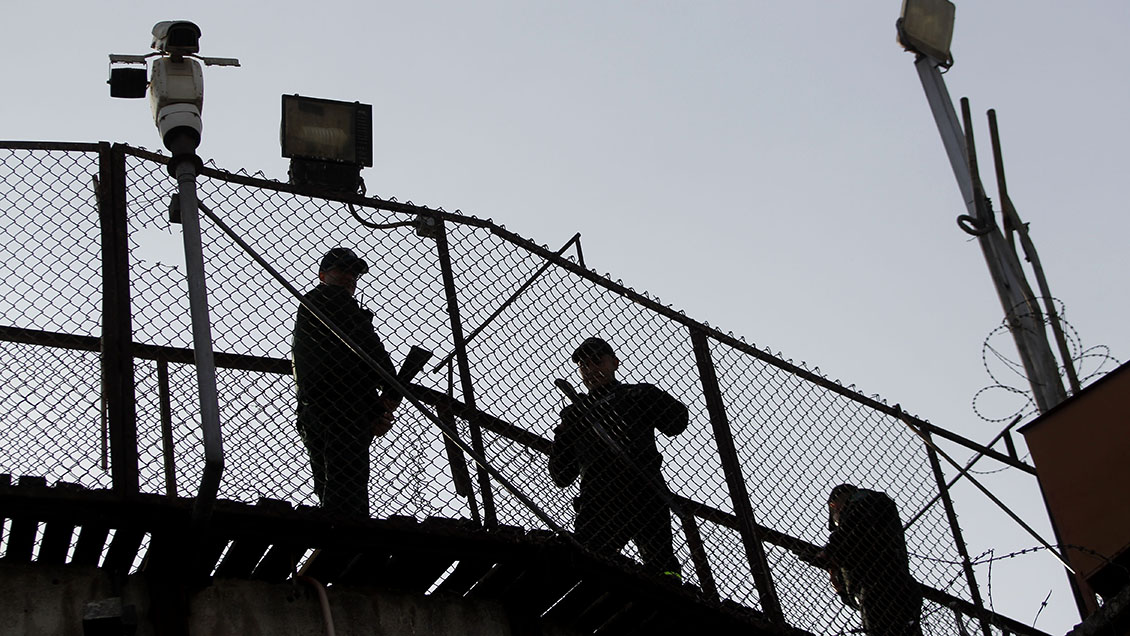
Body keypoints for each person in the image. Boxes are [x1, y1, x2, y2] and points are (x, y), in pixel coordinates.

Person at [548, 337, 689, 576]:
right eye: (583, 365)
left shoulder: (635, 394)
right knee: (589, 558)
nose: (590, 369)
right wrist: (564, 435)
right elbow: (561, 475)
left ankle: (669, 596)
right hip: (599, 493)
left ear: (614, 362)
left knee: (663, 565)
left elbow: (676, 422)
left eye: (596, 361)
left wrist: (648, 399)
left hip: (644, 487)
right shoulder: (576, 413)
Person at [292, 247, 397, 517]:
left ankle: (341, 535)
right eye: (343, 269)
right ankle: (347, 539)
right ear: (322, 274)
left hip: (323, 406)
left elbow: (360, 359)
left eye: (354, 272)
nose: (350, 276)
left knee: (334, 483)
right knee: (346, 485)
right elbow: (371, 354)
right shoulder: (328, 301)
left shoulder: (322, 304)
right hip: (339, 408)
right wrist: (390, 390)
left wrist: (380, 405)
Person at [818, 484, 923, 636]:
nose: (838, 521)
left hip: (882, 588)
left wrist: (829, 551)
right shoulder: (866, 529)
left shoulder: (865, 501)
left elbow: (853, 528)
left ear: (834, 505)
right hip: (894, 590)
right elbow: (854, 598)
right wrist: (840, 588)